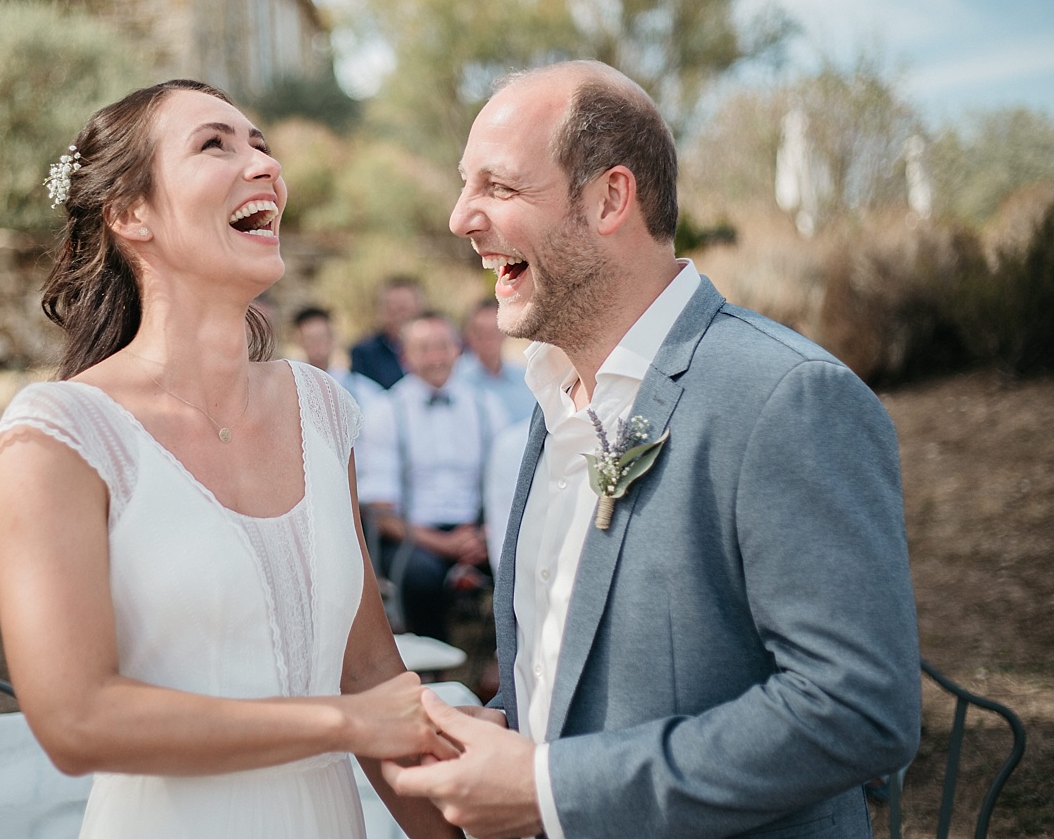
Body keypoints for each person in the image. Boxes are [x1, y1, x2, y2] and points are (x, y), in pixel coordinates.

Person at [382, 60, 920, 838]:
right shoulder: (552, 397)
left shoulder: (787, 397)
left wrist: (549, 786)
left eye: (497, 187)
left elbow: (859, 708)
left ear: (609, 198)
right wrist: (506, 734)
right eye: (467, 186)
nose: (461, 216)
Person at [0, 79, 463, 839]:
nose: (265, 166)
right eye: (216, 144)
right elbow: (76, 721)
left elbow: (370, 672)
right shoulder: (59, 436)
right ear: (129, 213)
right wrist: (346, 723)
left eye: (263, 145)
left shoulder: (322, 409)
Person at [356, 314, 507, 641]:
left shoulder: (486, 406)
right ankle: (434, 666)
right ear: (405, 356)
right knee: (420, 577)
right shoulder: (386, 412)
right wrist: (445, 545)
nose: (436, 357)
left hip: (477, 529)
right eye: (424, 349)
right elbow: (380, 510)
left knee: (515, 565)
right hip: (414, 534)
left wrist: (483, 536)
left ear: (458, 350)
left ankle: (500, 665)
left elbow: (505, 485)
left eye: (443, 347)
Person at [454, 298, 534, 423]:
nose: (489, 339)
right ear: (469, 335)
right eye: (481, 332)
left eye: (495, 331)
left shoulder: (526, 379)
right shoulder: (455, 380)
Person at [347, 277, 424, 390]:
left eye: (405, 309)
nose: (401, 316)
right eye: (393, 309)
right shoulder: (364, 353)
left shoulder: (441, 348)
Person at [292, 305, 379, 404]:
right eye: (311, 339)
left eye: (322, 337)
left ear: (332, 339)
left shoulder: (351, 383)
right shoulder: (293, 383)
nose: (318, 345)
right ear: (299, 341)